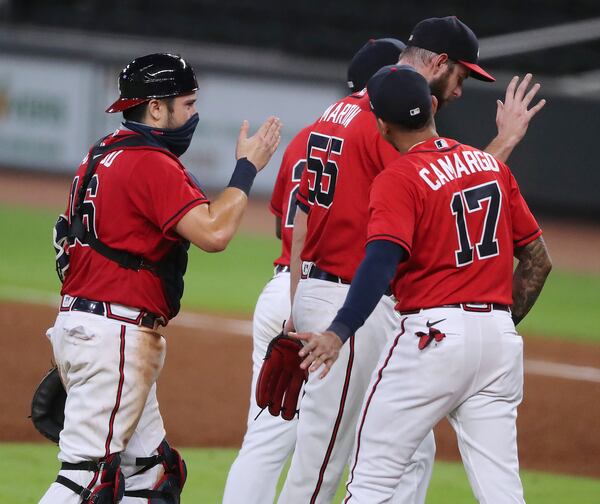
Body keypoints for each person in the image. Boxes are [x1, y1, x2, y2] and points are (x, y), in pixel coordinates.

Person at [281, 16, 545, 504]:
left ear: (382, 122)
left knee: (372, 477)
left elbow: (380, 257)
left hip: (425, 331)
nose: (462, 89)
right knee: (502, 489)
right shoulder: (483, 162)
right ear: (431, 102)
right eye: (462, 77)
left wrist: (334, 329)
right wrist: (497, 326)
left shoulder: (392, 167)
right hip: (498, 340)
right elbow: (536, 259)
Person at [41, 53, 281, 503]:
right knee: (85, 480)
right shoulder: (149, 162)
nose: (194, 114)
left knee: (153, 475)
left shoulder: (102, 152)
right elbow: (214, 232)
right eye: (187, 104)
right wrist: (247, 168)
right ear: (156, 107)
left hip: (90, 324)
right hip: (113, 336)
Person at [222, 38, 407, 504]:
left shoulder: (314, 129)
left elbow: (290, 216)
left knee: (263, 442)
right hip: (337, 294)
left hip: (289, 284)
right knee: (340, 451)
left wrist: (293, 300)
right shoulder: (375, 132)